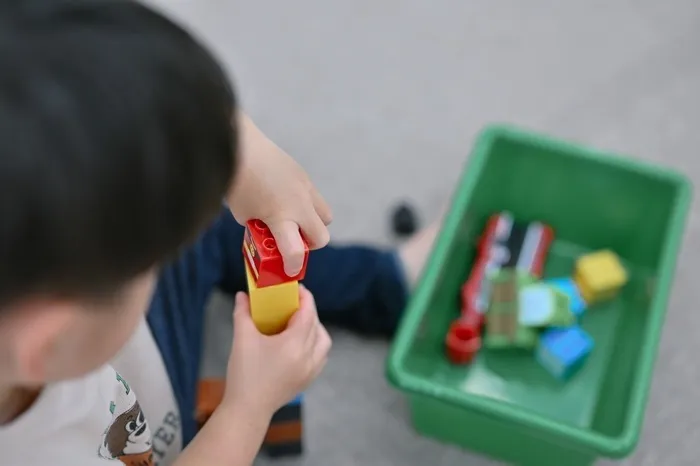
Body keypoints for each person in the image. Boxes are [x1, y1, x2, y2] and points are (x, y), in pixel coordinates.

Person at [0, 2, 439, 466]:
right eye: (150, 262)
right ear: (51, 343)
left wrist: (236, 148)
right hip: (153, 422)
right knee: (193, 218)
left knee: (199, 202)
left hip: (89, 330)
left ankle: (385, 281)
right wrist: (248, 408)